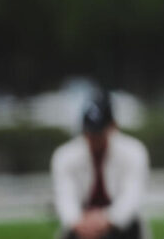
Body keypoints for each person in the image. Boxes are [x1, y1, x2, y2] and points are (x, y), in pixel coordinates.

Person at [51, 93, 150, 239]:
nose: (93, 139)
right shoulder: (65, 156)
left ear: (113, 127)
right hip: (80, 227)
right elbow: (65, 198)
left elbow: (131, 197)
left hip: (122, 229)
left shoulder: (134, 151)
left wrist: (107, 220)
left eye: (99, 134)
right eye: (89, 133)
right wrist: (78, 223)